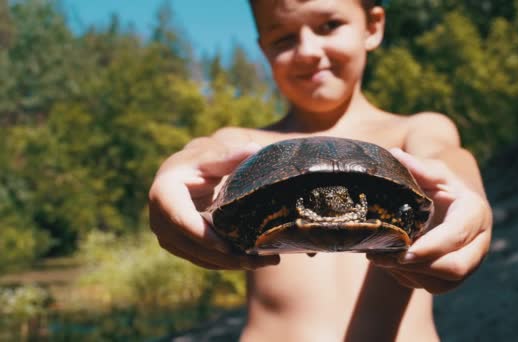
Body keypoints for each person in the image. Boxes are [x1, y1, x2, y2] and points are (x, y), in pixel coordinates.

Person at [148, 0, 493, 340]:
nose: (308, 51)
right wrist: (174, 171)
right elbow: (207, 152)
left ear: (372, 27)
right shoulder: (247, 145)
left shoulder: (414, 130)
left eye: (329, 25)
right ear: (263, 50)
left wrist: (466, 195)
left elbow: (445, 157)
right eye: (283, 39)